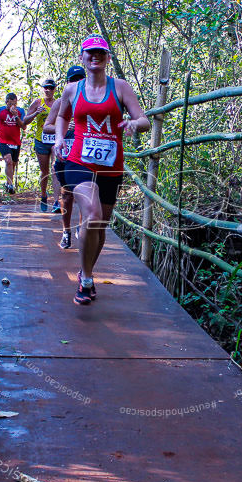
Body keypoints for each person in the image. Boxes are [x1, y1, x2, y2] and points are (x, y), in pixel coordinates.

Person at [53, 36, 150, 305]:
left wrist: (134, 124)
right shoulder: (72, 90)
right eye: (90, 53)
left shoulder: (120, 87)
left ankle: (88, 273)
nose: (95, 57)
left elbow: (144, 119)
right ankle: (84, 279)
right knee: (92, 214)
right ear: (82, 58)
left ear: (108, 58)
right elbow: (62, 115)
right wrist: (60, 139)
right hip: (79, 162)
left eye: (100, 53)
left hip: (111, 165)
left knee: (101, 225)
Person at [45, 65, 86, 249]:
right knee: (67, 195)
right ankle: (66, 231)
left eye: (80, 79)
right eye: (73, 79)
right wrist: (64, 129)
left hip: (85, 155)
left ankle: (81, 230)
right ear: (68, 82)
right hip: (65, 155)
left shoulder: (93, 101)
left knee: (85, 195)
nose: (77, 83)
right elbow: (47, 126)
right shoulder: (60, 102)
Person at [23, 78, 59, 212]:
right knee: (45, 171)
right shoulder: (38, 102)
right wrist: (35, 113)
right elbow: (24, 121)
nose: (48, 90)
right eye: (46, 88)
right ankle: (44, 195)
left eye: (51, 88)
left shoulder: (58, 103)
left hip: (55, 140)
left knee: (55, 169)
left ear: (54, 89)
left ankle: (56, 202)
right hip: (41, 141)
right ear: (43, 89)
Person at [0, 93, 25, 194]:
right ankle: (10, 184)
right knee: (8, 161)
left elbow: (23, 126)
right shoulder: (0, 111)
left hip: (15, 141)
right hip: (3, 141)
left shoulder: (20, 111)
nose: (12, 106)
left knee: (13, 163)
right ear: (6, 102)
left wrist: (16, 115)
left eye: (14, 104)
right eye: (10, 104)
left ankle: (9, 183)